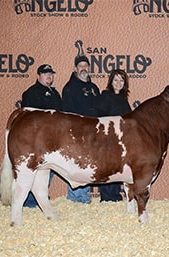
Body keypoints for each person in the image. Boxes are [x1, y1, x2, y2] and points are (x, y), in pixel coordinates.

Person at [21, 64, 62, 208]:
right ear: (38, 76)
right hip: (36, 139)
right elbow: (29, 119)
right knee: (34, 169)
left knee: (47, 169)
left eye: (50, 74)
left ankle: (40, 197)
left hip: (52, 138)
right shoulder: (30, 93)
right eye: (45, 74)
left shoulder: (55, 93)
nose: (48, 76)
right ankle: (31, 201)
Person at [62, 54, 100, 203]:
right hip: (77, 134)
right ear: (75, 68)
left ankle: (84, 197)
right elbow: (68, 114)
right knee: (76, 166)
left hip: (93, 134)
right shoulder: (69, 88)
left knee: (87, 166)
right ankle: (75, 198)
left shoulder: (94, 88)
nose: (83, 68)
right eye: (80, 66)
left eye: (86, 65)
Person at [97, 69, 132, 202]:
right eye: (115, 80)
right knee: (107, 167)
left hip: (121, 140)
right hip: (108, 139)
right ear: (110, 82)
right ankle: (107, 198)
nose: (118, 83)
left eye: (121, 80)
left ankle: (115, 196)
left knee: (117, 168)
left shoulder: (123, 99)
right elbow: (100, 118)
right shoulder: (105, 96)